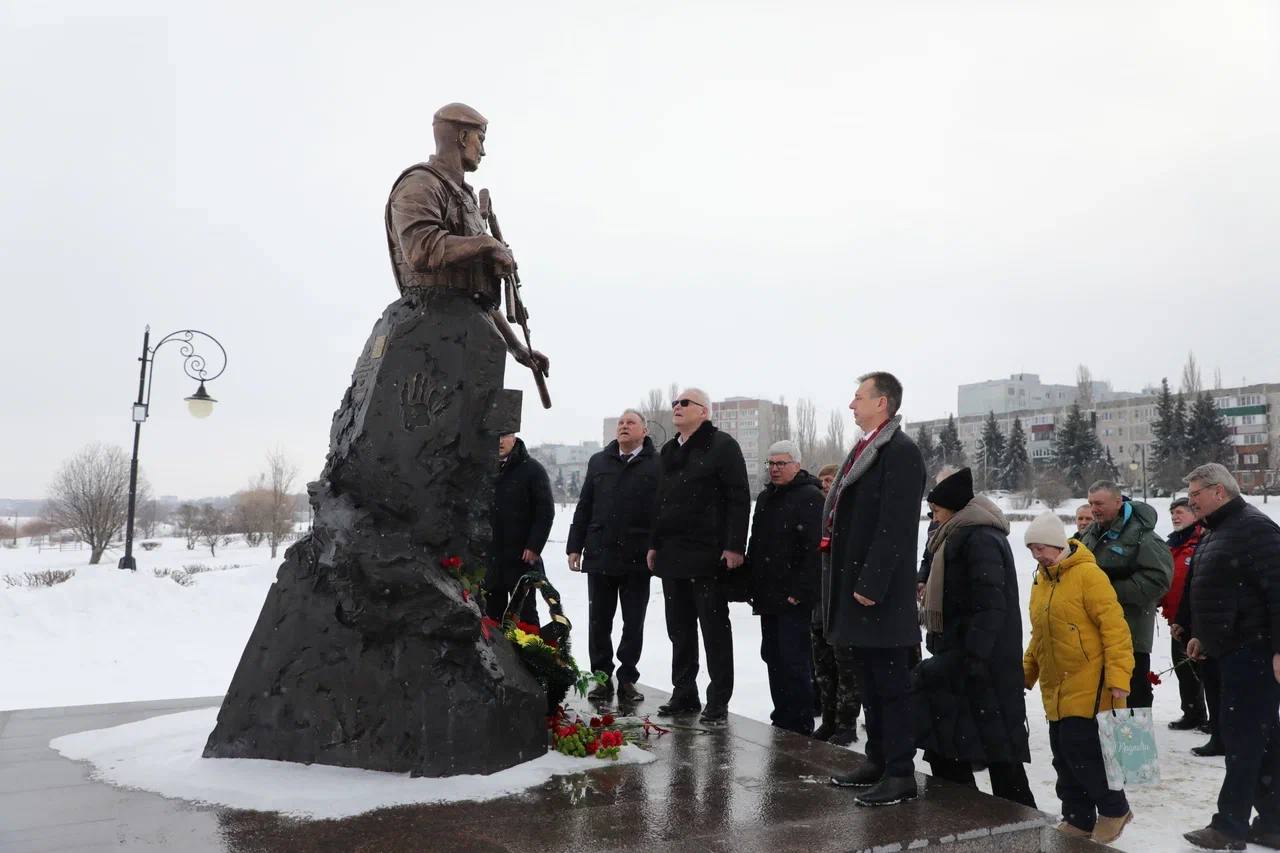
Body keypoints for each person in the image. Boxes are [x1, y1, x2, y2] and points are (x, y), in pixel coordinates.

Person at [824, 372, 927, 807]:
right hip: (856, 587)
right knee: (868, 680)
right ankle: (878, 759)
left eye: (859, 397)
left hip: (877, 594)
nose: (851, 404)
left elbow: (895, 525)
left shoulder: (899, 452)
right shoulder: (866, 449)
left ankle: (900, 772)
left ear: (882, 402)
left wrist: (871, 583)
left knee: (890, 684)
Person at [912, 468, 1036, 808]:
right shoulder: (956, 534)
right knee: (954, 745)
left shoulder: (979, 538)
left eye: (936, 511)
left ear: (951, 509)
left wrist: (971, 656)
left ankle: (1017, 821)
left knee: (999, 755)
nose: (932, 518)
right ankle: (968, 811)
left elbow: (990, 606)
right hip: (965, 658)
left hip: (982, 664)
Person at [1180, 464, 1280, 852]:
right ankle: (1273, 824)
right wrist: (1201, 636)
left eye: (1195, 495)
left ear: (1218, 491)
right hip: (1229, 651)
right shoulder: (1217, 530)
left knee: (1244, 741)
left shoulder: (1255, 528)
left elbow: (1277, 591)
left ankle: (1229, 826)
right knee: (1263, 740)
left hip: (1254, 654)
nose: (1191, 502)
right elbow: (1222, 593)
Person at [1023, 512, 1135, 845]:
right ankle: (1077, 816)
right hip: (1056, 684)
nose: (1037, 556)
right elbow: (1040, 635)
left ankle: (1115, 810)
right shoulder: (1041, 579)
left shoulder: (1089, 575)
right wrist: (1026, 672)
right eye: (1032, 550)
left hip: (1091, 681)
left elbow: (1116, 630)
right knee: (1062, 754)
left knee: (1085, 753)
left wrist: (1119, 678)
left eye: (1042, 548)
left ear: (1058, 545)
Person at [647, 388, 751, 726]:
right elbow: (659, 502)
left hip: (708, 556)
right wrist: (653, 543)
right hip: (673, 555)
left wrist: (735, 545)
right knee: (679, 629)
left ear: (703, 411)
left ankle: (718, 699)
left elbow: (739, 497)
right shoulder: (668, 450)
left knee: (714, 630)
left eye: (685, 403)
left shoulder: (722, 446)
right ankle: (684, 692)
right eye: (674, 403)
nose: (677, 407)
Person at [566, 410, 659, 705]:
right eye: (620, 423)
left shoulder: (657, 464)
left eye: (630, 423)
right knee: (599, 622)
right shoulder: (599, 461)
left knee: (633, 623)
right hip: (601, 554)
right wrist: (574, 546)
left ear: (644, 430)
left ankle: (628, 678)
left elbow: (662, 511)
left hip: (637, 558)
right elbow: (584, 506)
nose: (623, 427)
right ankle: (601, 678)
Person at [747, 440, 824, 736]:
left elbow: (815, 550)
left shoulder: (809, 497)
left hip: (793, 597)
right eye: (771, 464)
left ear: (797, 464)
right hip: (768, 593)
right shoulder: (767, 498)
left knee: (794, 660)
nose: (775, 469)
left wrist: (800, 591)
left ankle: (800, 723)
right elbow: (757, 543)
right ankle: (781, 717)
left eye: (781, 463)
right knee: (773, 655)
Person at [1079, 481, 1172, 708]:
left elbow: (1159, 578)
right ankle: (1102, 743)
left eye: (1099, 503)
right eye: (1091, 503)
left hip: (1131, 633)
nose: (1094, 509)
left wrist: (1109, 593)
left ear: (1118, 501)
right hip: (1096, 631)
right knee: (1102, 698)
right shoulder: (1092, 532)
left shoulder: (1142, 535)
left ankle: (1134, 744)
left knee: (1131, 698)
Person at [811, 462, 861, 745]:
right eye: (823, 482)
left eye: (831, 480)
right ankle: (828, 720)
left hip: (841, 605)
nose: (826, 486)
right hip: (819, 603)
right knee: (823, 670)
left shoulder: (847, 513)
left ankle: (846, 725)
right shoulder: (816, 512)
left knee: (847, 670)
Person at [485, 433, 554, 625]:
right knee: (490, 619)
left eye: (505, 435)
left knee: (525, 617)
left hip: (521, 558)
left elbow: (545, 512)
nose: (499, 441)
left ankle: (528, 655)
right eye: (496, 435)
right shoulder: (482, 469)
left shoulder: (532, 470)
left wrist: (534, 546)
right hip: (490, 559)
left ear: (514, 438)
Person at [1163, 496, 1208, 732]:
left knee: (1205, 672)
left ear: (1194, 514)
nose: (1174, 517)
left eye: (1179, 512)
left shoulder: (1202, 541)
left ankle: (1216, 719)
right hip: (1176, 619)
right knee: (1183, 670)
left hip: (1198, 620)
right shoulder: (1172, 544)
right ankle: (1192, 713)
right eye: (1172, 513)